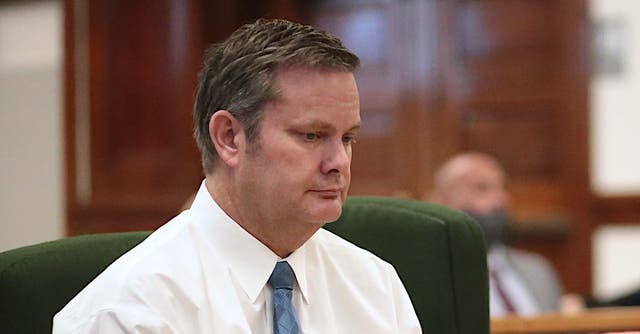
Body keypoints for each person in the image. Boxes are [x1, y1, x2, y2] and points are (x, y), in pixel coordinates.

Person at [53, 19, 421, 333]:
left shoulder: (376, 287)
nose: (339, 161)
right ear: (230, 138)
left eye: (348, 138)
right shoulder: (130, 312)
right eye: (312, 135)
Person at [430, 151, 563, 317]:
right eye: (482, 188)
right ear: (442, 200)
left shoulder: (538, 269)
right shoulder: (430, 277)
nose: (499, 200)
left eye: (502, 188)